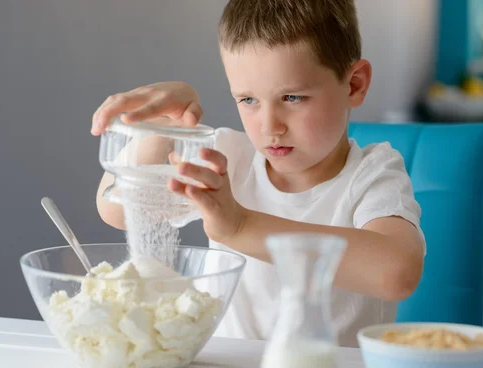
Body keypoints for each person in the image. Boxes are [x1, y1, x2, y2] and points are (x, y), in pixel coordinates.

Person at [90, 0, 426, 347]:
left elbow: (396, 273)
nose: (269, 127)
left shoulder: (372, 174)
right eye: (248, 100)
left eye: (292, 97)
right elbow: (117, 209)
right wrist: (164, 128)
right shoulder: (225, 158)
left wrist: (239, 226)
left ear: (354, 85)